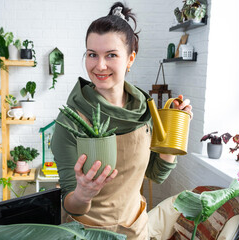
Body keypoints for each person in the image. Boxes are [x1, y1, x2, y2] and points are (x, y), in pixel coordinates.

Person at [51, 2, 193, 239]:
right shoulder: (71, 120)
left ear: (130, 59)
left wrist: (177, 129)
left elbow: (156, 174)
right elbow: (69, 203)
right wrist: (82, 195)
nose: (100, 65)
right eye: (92, 54)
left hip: (135, 230)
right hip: (87, 234)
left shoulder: (145, 111)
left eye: (112, 55)